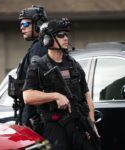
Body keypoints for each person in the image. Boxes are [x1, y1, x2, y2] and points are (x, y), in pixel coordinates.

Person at [23, 18, 101, 150]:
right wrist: (55, 96)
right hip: (54, 127)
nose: (65, 38)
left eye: (66, 35)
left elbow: (86, 94)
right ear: (47, 39)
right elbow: (27, 96)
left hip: (78, 125)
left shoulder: (73, 64)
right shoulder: (38, 66)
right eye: (60, 35)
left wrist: (91, 124)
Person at [8, 6, 48, 127]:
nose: (21, 28)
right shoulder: (38, 45)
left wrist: (30, 115)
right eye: (20, 24)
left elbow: (37, 82)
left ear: (38, 24)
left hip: (34, 109)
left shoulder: (39, 47)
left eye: (25, 24)